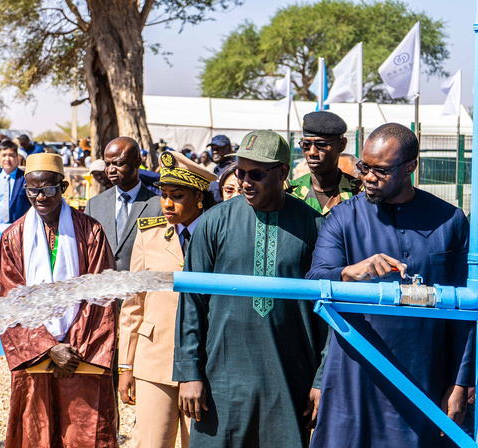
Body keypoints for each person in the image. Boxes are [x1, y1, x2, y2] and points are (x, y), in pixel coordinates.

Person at [307, 123, 474, 448]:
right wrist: (349, 273)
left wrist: (460, 382)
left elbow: (466, 312)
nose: (368, 177)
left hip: (425, 378)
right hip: (354, 378)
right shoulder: (342, 218)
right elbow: (314, 281)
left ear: (411, 166)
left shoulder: (450, 221)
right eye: (364, 167)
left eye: (380, 170)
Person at [174, 130, 328, 447]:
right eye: (241, 172)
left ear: (283, 173)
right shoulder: (213, 222)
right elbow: (192, 302)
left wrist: (322, 379)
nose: (245, 181)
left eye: (255, 174)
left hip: (288, 382)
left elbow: (325, 315)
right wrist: (189, 372)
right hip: (219, 382)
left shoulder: (313, 226)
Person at [0, 152, 118, 447]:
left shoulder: (90, 231)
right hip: (36, 358)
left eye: (48, 188)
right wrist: (48, 348)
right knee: (36, 431)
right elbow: (9, 301)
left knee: (84, 432)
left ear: (63, 188)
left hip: (80, 356)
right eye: (33, 190)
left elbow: (101, 296)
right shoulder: (13, 237)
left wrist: (70, 352)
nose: (40, 197)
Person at [119, 151, 217, 448]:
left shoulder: (217, 235)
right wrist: (126, 367)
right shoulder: (148, 235)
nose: (167, 203)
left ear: (199, 196)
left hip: (204, 362)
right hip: (153, 357)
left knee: (199, 443)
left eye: (177, 195)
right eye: (163, 194)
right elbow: (133, 305)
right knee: (150, 442)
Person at [84, 137, 162, 271]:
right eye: (107, 164)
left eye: (118, 164)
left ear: (137, 162)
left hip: (141, 288)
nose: (110, 170)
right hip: (102, 288)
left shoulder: (158, 205)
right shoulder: (94, 205)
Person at [286, 111, 361, 215]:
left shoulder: (359, 195)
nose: (312, 152)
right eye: (306, 145)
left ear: (341, 145)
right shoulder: (289, 194)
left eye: (321, 145)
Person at [205, 135, 234, 203]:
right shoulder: (217, 169)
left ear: (229, 149)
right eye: (213, 149)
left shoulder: (233, 169)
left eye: (218, 149)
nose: (214, 152)